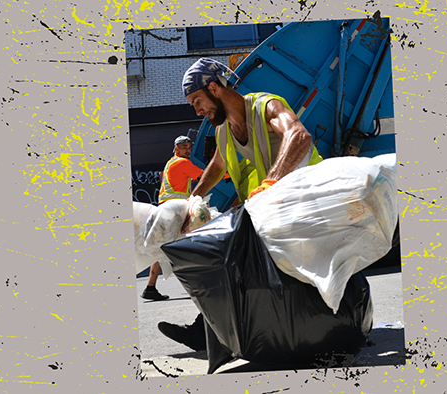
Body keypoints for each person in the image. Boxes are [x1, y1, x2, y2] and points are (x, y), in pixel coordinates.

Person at [156, 57, 324, 351]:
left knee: (235, 260)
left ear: (214, 88)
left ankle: (210, 334)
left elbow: (299, 135)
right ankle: (210, 332)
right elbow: (216, 168)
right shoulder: (224, 131)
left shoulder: (265, 106)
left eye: (197, 100)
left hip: (304, 203)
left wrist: (270, 183)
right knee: (225, 260)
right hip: (268, 211)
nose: (197, 110)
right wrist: (192, 200)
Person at [139, 135, 204, 301]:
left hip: (164, 210)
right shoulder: (182, 162)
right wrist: (228, 174)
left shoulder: (171, 162)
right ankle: (197, 287)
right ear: (176, 148)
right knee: (186, 246)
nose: (187, 150)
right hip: (173, 211)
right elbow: (203, 176)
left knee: (162, 249)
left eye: (189, 147)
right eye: (183, 147)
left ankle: (150, 288)